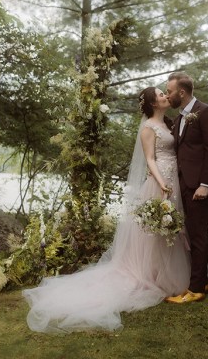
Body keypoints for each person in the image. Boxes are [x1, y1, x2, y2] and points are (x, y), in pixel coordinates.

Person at [22, 87, 191, 333]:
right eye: (161, 94)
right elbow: (151, 159)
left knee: (169, 229)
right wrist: (162, 182)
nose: (166, 96)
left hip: (173, 179)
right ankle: (154, 276)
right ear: (154, 103)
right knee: (155, 231)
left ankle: (166, 273)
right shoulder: (148, 129)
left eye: (165, 93)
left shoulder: (168, 124)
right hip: (160, 183)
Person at [164, 72, 208, 304]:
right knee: (192, 232)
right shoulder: (179, 118)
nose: (168, 95)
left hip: (199, 186)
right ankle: (202, 280)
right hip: (184, 183)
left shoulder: (206, 112)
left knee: (197, 234)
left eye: (169, 91)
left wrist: (205, 184)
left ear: (182, 92)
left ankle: (195, 289)